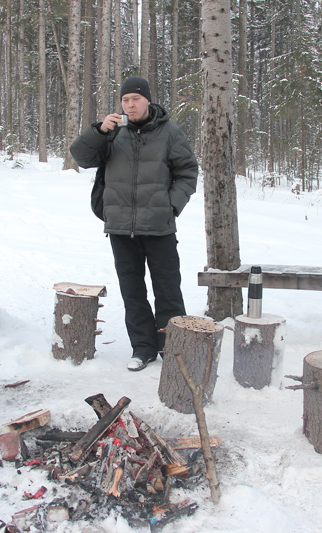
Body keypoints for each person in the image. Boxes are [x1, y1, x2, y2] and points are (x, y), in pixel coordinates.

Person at [70, 76, 199, 371]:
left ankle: (172, 349)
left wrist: (171, 205)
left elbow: (187, 172)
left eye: (136, 99)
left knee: (167, 289)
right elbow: (80, 156)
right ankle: (143, 348)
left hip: (159, 226)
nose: (130, 104)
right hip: (120, 227)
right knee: (132, 291)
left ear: (148, 101)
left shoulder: (170, 133)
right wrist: (99, 131)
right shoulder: (112, 134)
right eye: (125, 100)